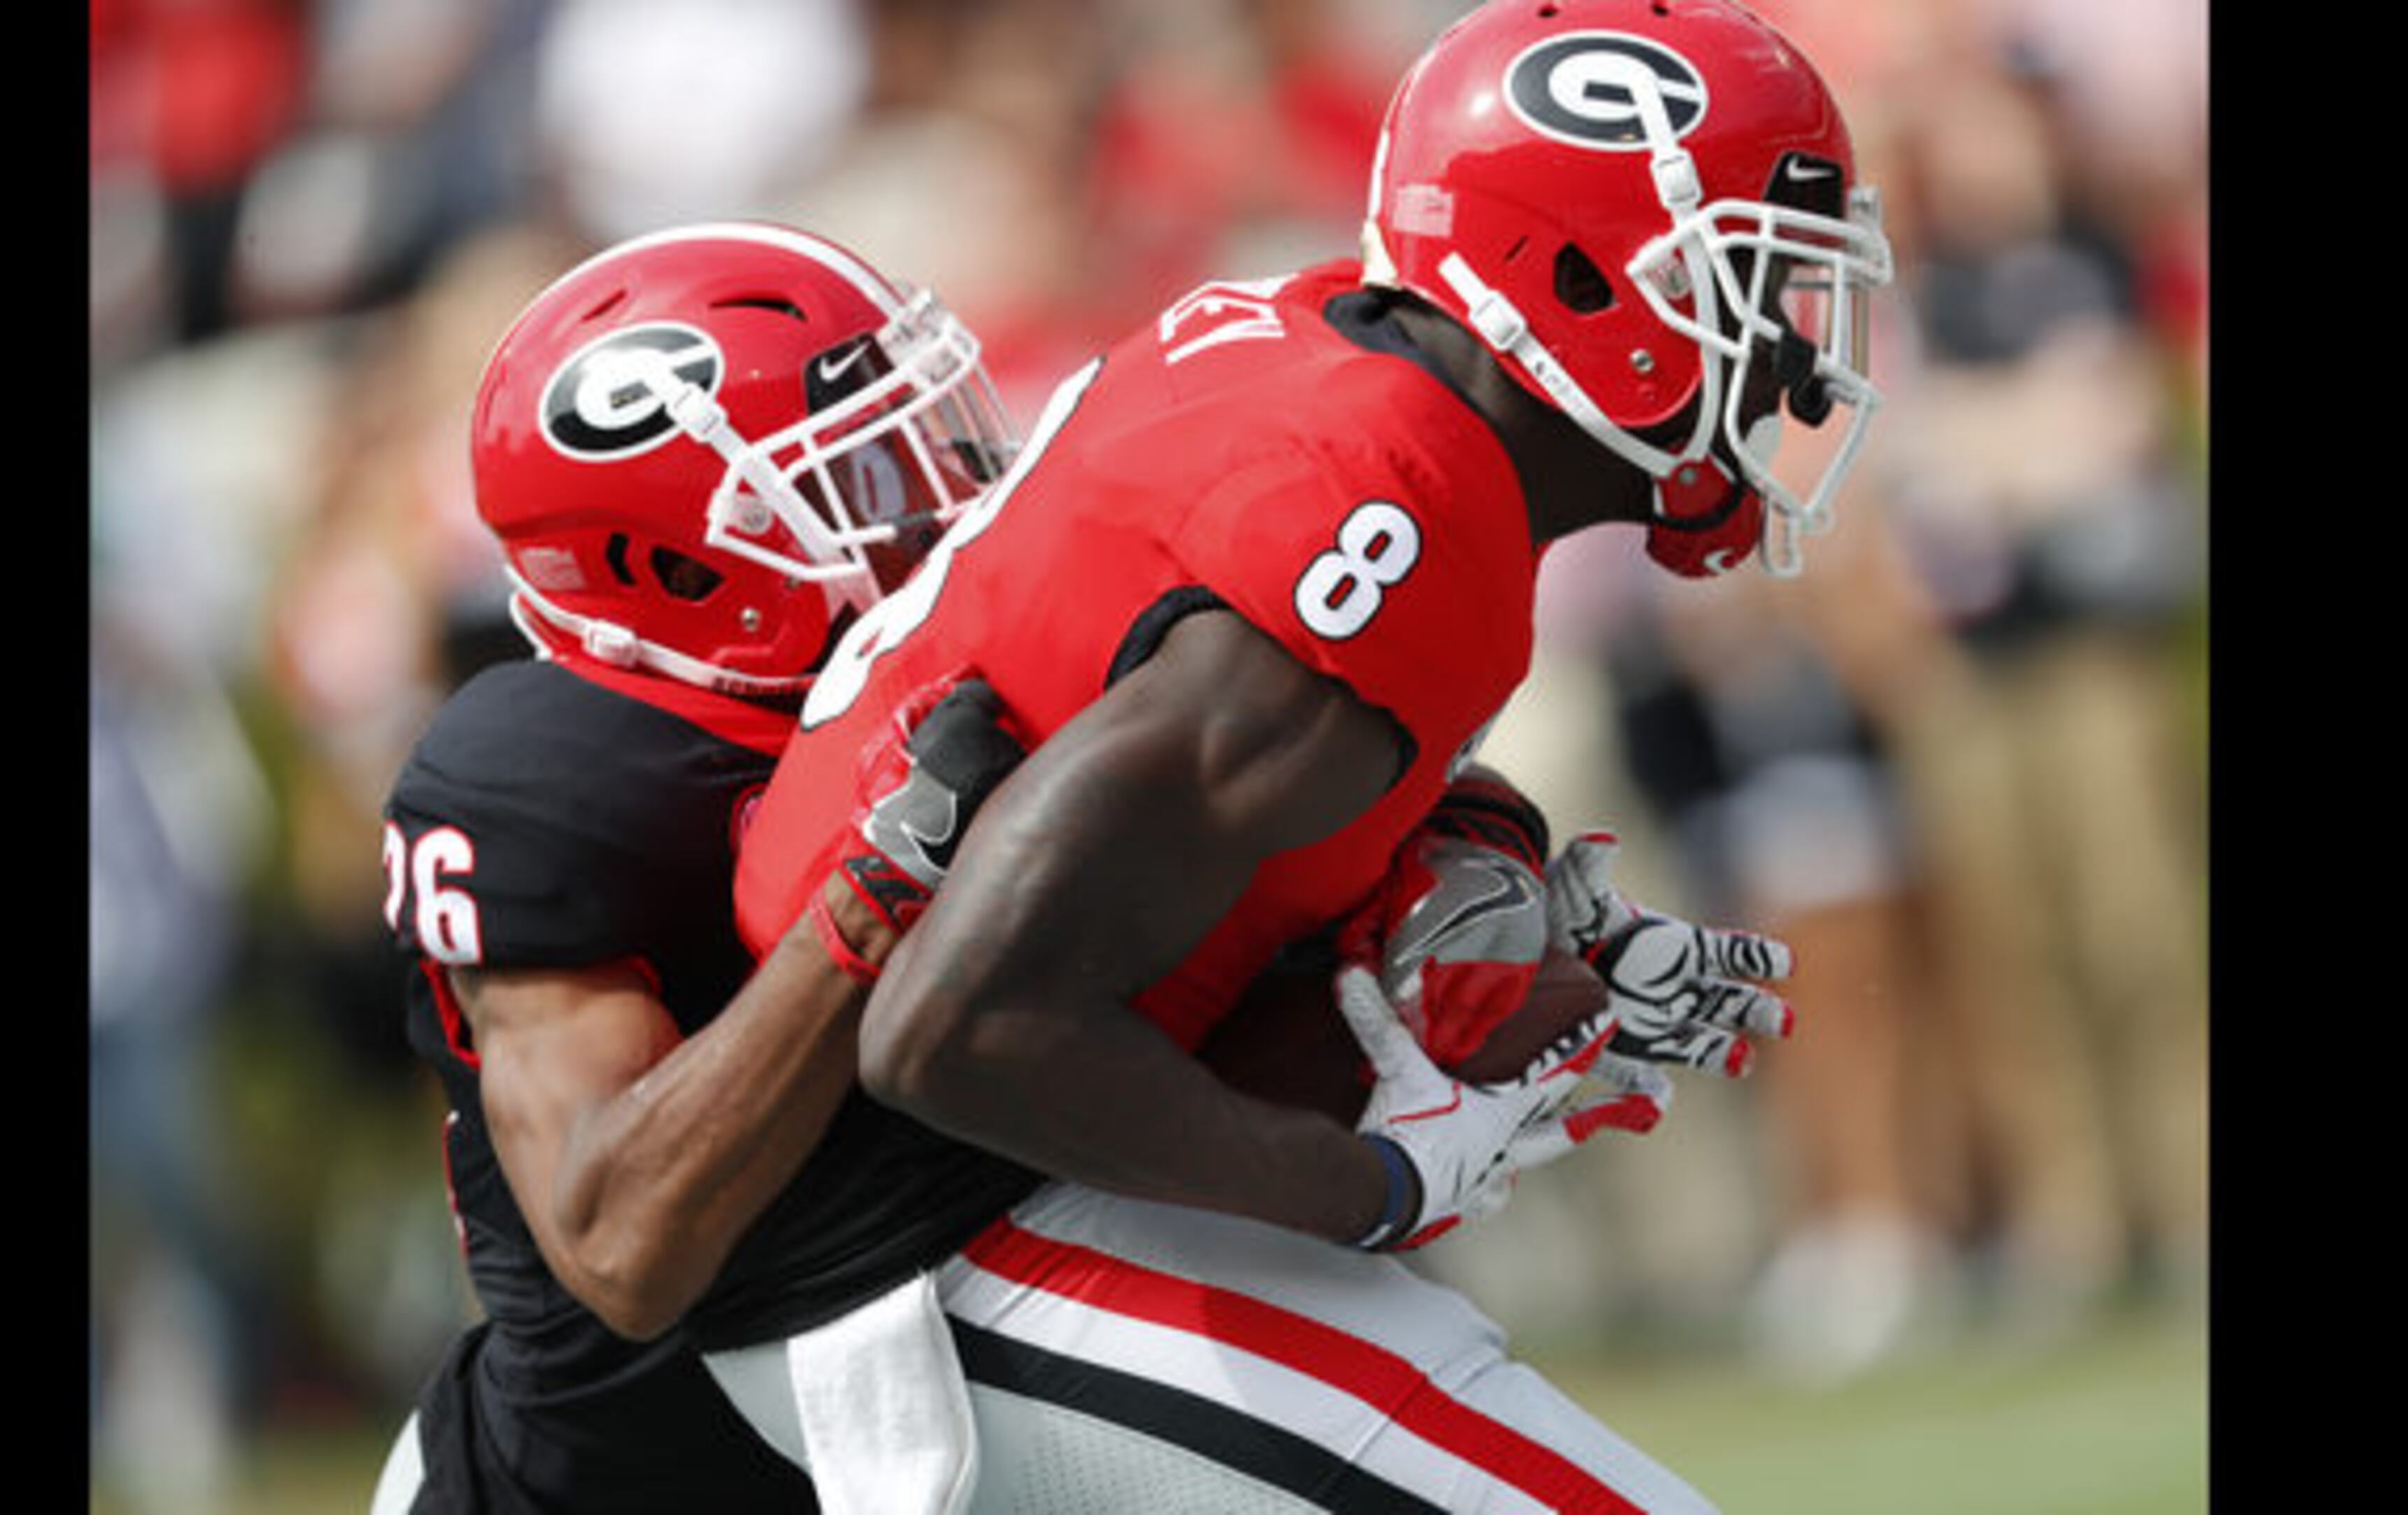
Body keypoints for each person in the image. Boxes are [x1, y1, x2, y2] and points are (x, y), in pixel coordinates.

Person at [722, 0, 1890, 1508]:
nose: (1792, 366)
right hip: (919, 1241)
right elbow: (956, 1026)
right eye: (1747, 289)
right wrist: (1380, 1180)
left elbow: (1193, 856)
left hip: (965, 1188)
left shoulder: (1340, 367)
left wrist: (1509, 921)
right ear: (1592, 282)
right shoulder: (1384, 524)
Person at [368, 220, 1027, 1514]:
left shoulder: (900, 681)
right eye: (862, 477)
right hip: (602, 1477)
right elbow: (621, 1247)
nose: (939, 505)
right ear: (678, 561)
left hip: (912, 1414)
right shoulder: (549, 771)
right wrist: (872, 906)